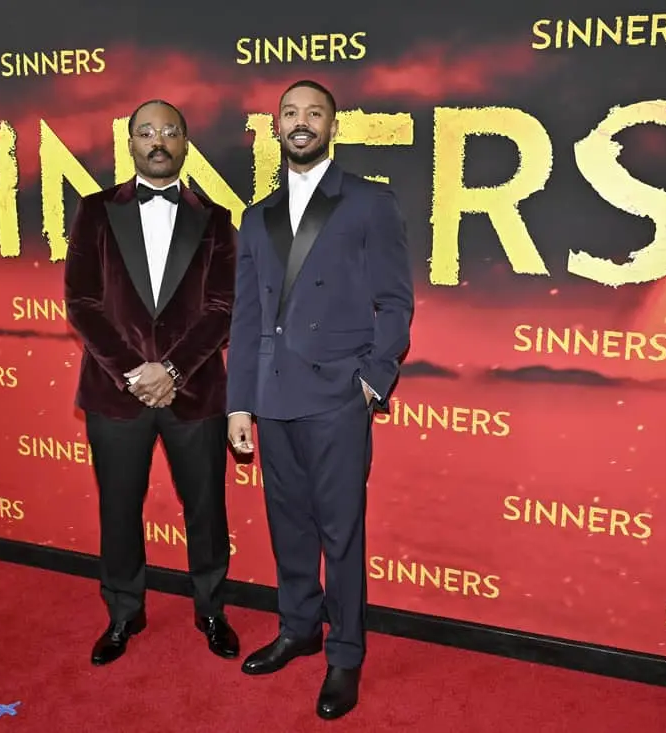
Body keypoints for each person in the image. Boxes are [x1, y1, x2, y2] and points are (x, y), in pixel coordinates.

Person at [226, 80, 413, 719]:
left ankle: (346, 654)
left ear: (333, 126)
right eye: (290, 113)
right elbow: (247, 317)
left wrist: (372, 379)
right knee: (289, 526)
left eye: (314, 113)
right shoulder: (256, 215)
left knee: (341, 533)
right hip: (273, 396)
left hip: (336, 395)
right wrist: (238, 402)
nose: (301, 122)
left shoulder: (368, 202)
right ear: (275, 126)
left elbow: (395, 301)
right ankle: (299, 627)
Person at [65, 100, 240, 666]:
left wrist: (173, 370)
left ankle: (211, 609)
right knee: (118, 507)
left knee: (206, 510)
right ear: (131, 142)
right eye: (146, 132)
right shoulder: (95, 210)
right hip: (115, 393)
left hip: (196, 394)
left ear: (185, 142)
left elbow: (222, 308)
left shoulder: (216, 219)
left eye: (169, 131)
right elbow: (82, 302)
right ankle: (123, 612)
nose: (157, 141)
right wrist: (133, 371)